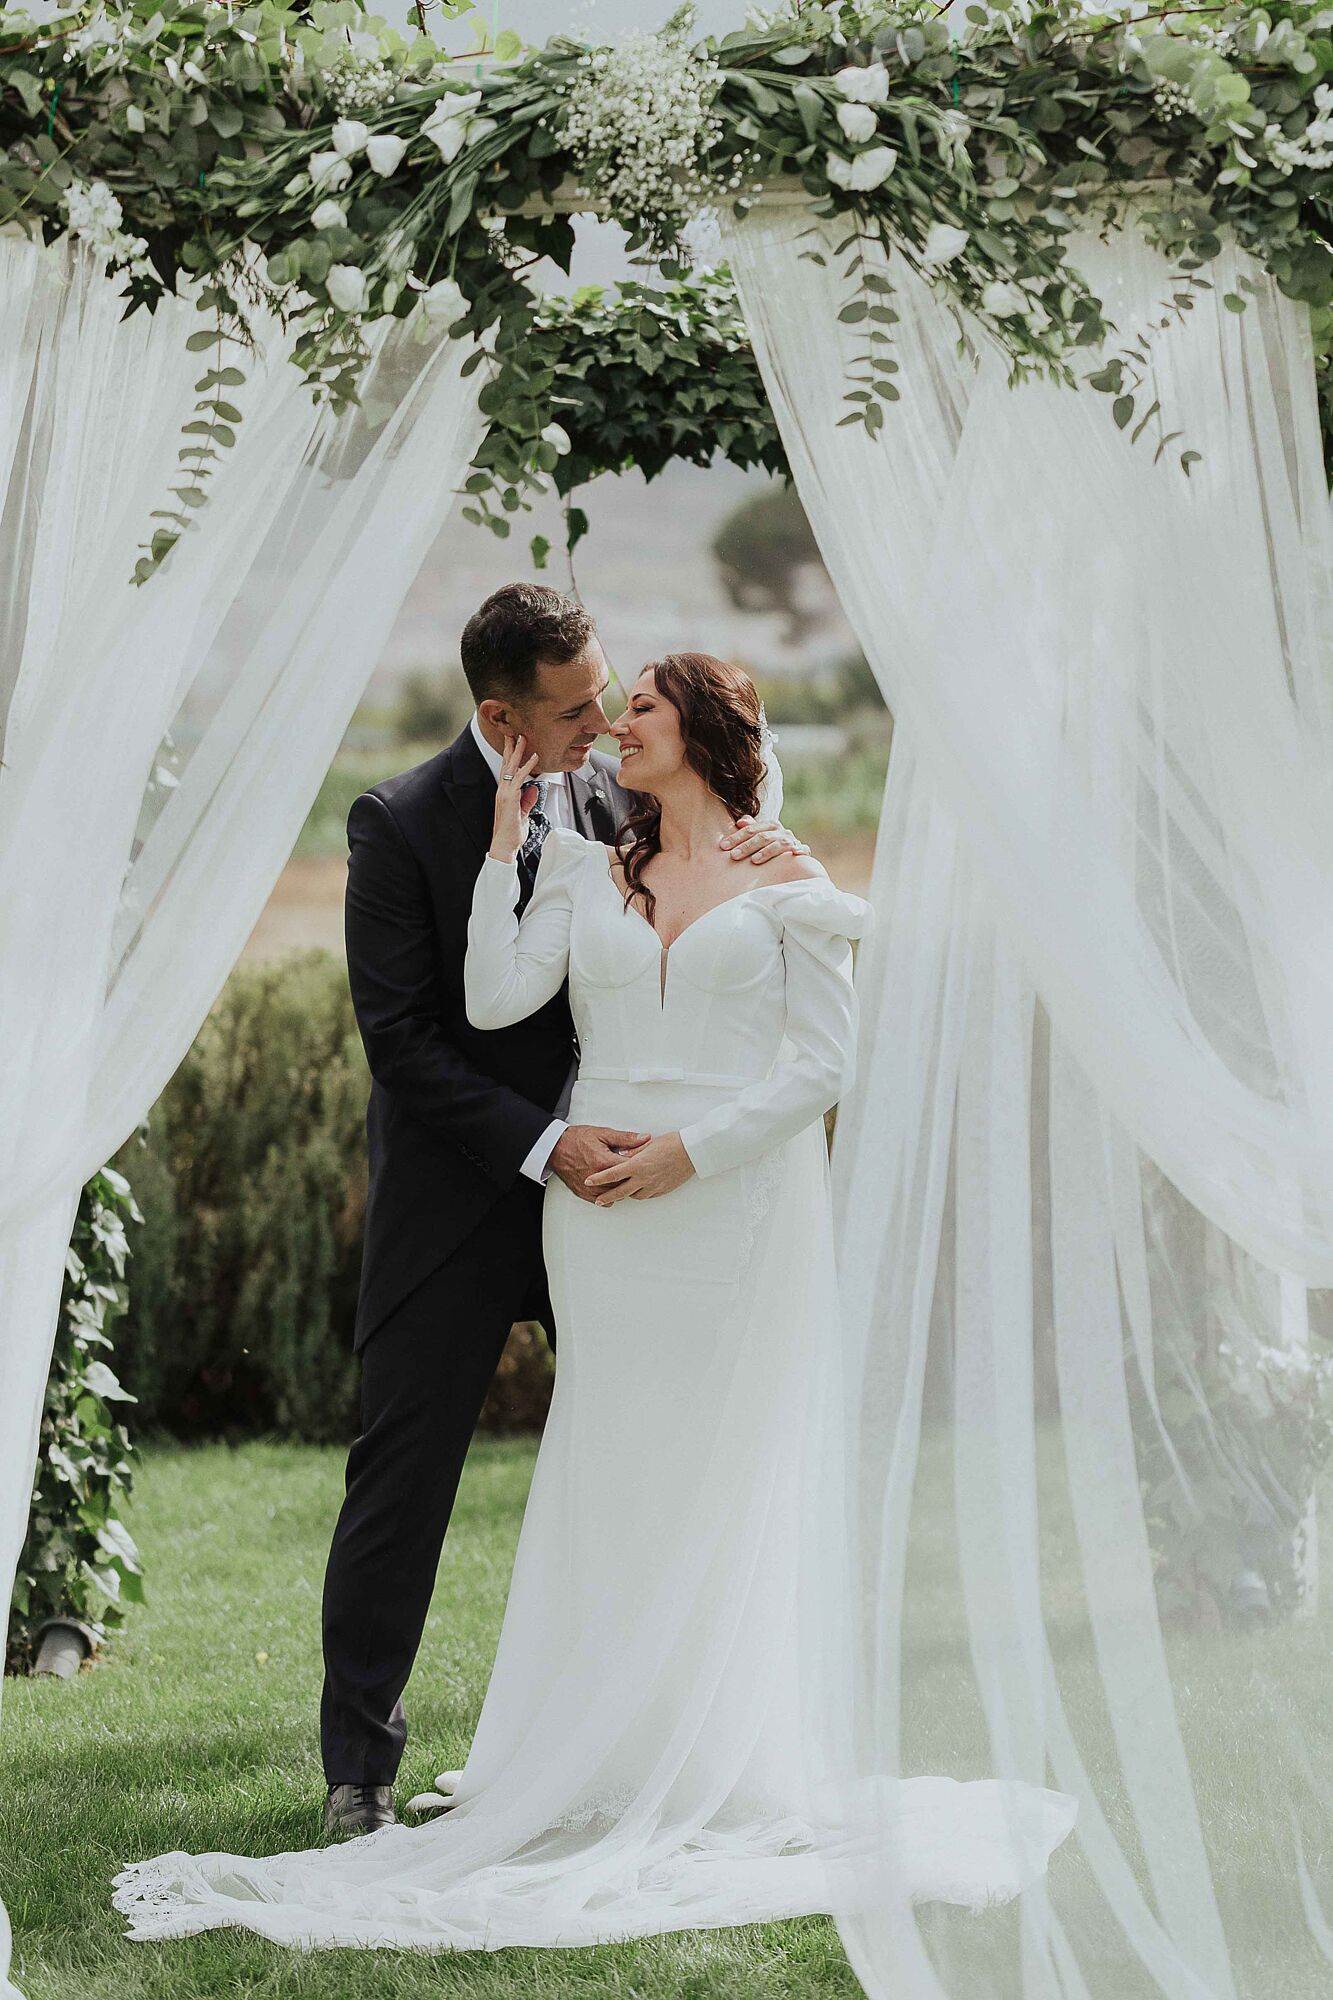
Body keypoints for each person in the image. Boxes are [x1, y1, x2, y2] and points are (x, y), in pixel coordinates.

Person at [113, 650, 1075, 1951]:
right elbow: (499, 995)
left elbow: (827, 1058)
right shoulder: (594, 861)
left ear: (708, 740)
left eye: (640, 713)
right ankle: (586, 1747)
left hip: (731, 1201)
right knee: (609, 1471)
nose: (615, 727)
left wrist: (694, 1151)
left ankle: (730, 1751)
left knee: (723, 1465)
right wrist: (516, 854)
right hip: (603, 1222)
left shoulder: (784, 876)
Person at [317, 585, 807, 1836]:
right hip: (467, 1199)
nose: (602, 716)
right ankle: (359, 1770)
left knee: (646, 1450)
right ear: (503, 714)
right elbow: (405, 1044)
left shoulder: (614, 793)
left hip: (626, 1201)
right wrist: (544, 1144)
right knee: (405, 1469)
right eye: (578, 704)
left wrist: (762, 846)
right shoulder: (399, 823)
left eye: (607, 695)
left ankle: (648, 1730)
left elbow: (715, 853)